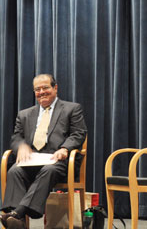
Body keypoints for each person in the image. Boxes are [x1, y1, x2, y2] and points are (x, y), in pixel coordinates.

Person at [0, 74, 87, 229]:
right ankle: (17, 220)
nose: (41, 92)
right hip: (33, 161)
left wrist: (65, 148)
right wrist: (21, 146)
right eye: (37, 89)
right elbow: (16, 137)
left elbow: (78, 133)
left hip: (59, 161)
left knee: (49, 169)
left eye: (45, 87)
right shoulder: (24, 114)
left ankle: (16, 213)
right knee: (14, 170)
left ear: (55, 88)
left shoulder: (71, 108)